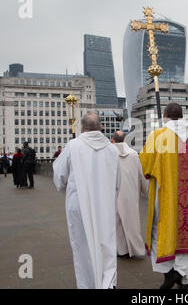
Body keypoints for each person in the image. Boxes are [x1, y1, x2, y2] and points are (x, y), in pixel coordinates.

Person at [139, 103, 188, 289]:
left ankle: (170, 274)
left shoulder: (158, 136)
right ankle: (185, 277)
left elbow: (144, 166)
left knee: (160, 232)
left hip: (166, 198)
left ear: (165, 115)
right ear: (182, 116)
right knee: (187, 233)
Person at [53, 112, 120, 289]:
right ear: (101, 127)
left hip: (78, 204)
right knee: (106, 242)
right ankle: (108, 282)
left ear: (82, 128)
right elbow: (118, 182)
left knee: (82, 246)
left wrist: (67, 190)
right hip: (105, 203)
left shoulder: (73, 146)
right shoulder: (112, 149)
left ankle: (88, 284)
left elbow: (59, 176)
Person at [111, 130, 148, 258]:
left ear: (113, 140)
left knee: (117, 221)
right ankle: (136, 249)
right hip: (131, 193)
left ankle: (122, 250)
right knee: (132, 221)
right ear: (125, 140)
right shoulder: (133, 154)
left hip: (114, 192)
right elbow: (141, 173)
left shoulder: (109, 154)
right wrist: (145, 188)